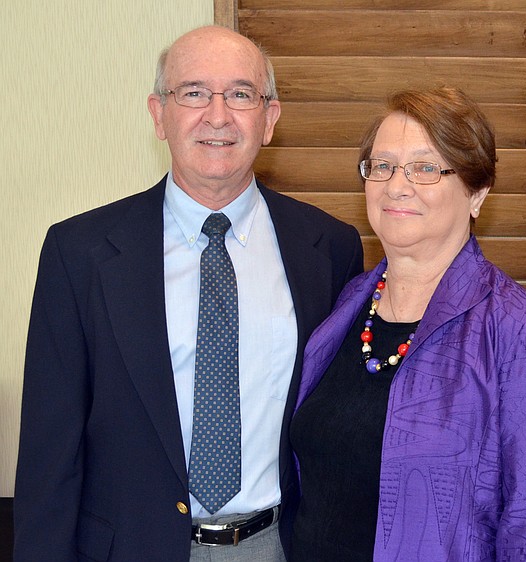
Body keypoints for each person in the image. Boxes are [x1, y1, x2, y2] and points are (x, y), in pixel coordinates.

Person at [14, 25, 363, 561]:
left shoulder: (330, 248)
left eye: (241, 94)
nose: (217, 116)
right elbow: (49, 453)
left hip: (277, 545)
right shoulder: (79, 253)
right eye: (194, 92)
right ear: (159, 115)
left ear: (269, 119)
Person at [286, 86, 526, 560]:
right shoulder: (346, 303)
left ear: (477, 193)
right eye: (382, 166)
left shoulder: (520, 331)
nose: (396, 186)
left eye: (425, 168)